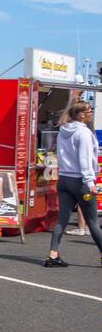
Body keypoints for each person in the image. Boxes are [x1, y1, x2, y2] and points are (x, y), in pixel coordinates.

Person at [45, 100, 102, 267]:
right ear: (81, 115)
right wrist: (89, 181)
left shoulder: (63, 130)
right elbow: (84, 159)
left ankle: (52, 254)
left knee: (62, 219)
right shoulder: (83, 133)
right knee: (92, 221)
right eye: (89, 111)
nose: (91, 113)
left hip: (64, 179)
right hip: (80, 180)